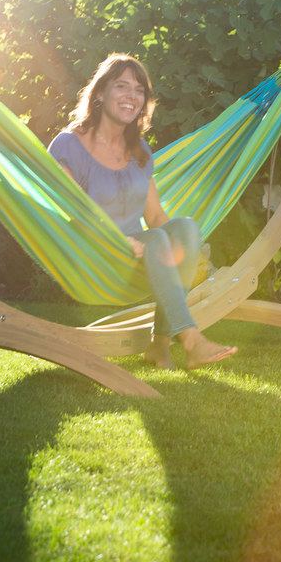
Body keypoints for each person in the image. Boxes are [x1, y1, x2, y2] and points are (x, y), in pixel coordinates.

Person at [48, 53, 237, 370]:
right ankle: (192, 341)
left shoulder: (139, 151)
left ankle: (159, 346)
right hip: (94, 254)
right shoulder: (68, 145)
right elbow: (70, 210)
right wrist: (115, 240)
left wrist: (190, 250)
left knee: (185, 229)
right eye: (122, 86)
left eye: (139, 90)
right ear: (100, 93)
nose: (132, 96)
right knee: (156, 240)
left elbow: (156, 217)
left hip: (138, 254)